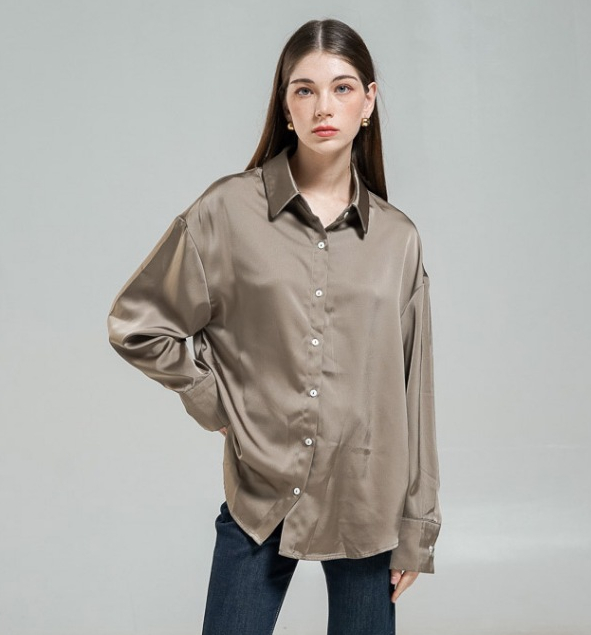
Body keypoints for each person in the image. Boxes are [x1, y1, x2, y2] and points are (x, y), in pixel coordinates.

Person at [107, 18, 441, 635]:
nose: (323, 107)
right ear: (286, 106)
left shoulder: (398, 238)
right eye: (304, 90)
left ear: (369, 101)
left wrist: (417, 525)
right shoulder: (227, 210)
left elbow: (412, 386)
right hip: (260, 492)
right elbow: (138, 323)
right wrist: (214, 402)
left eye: (342, 88)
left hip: (367, 501)